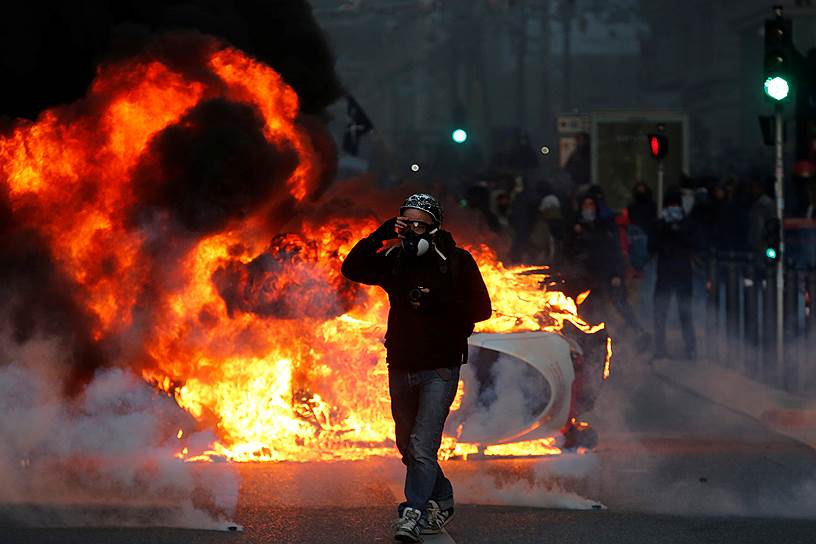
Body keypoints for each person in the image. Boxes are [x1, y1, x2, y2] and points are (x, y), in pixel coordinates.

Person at [341, 193, 492, 542]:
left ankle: (413, 512)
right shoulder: (395, 260)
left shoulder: (457, 261)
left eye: (418, 224)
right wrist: (379, 236)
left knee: (423, 447)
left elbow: (482, 309)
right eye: (405, 223)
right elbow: (352, 269)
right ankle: (442, 496)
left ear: (434, 227)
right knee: (406, 445)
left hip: (440, 367)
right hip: (401, 365)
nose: (410, 231)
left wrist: (436, 300)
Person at [565, 193, 650, 349]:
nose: (588, 208)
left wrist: (617, 274)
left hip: (607, 275)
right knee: (587, 311)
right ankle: (591, 342)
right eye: (585, 205)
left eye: (591, 205)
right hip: (586, 279)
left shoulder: (604, 226)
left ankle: (638, 334)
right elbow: (570, 252)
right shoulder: (575, 227)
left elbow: (613, 251)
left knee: (620, 304)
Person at [650, 190, 697, 360]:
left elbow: (694, 243)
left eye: (676, 205)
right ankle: (660, 348)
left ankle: (690, 349)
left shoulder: (688, 223)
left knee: (685, 314)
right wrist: (665, 229)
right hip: (665, 275)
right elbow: (652, 246)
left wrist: (679, 230)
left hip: (683, 275)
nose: (673, 209)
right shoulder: (659, 224)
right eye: (670, 206)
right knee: (660, 313)